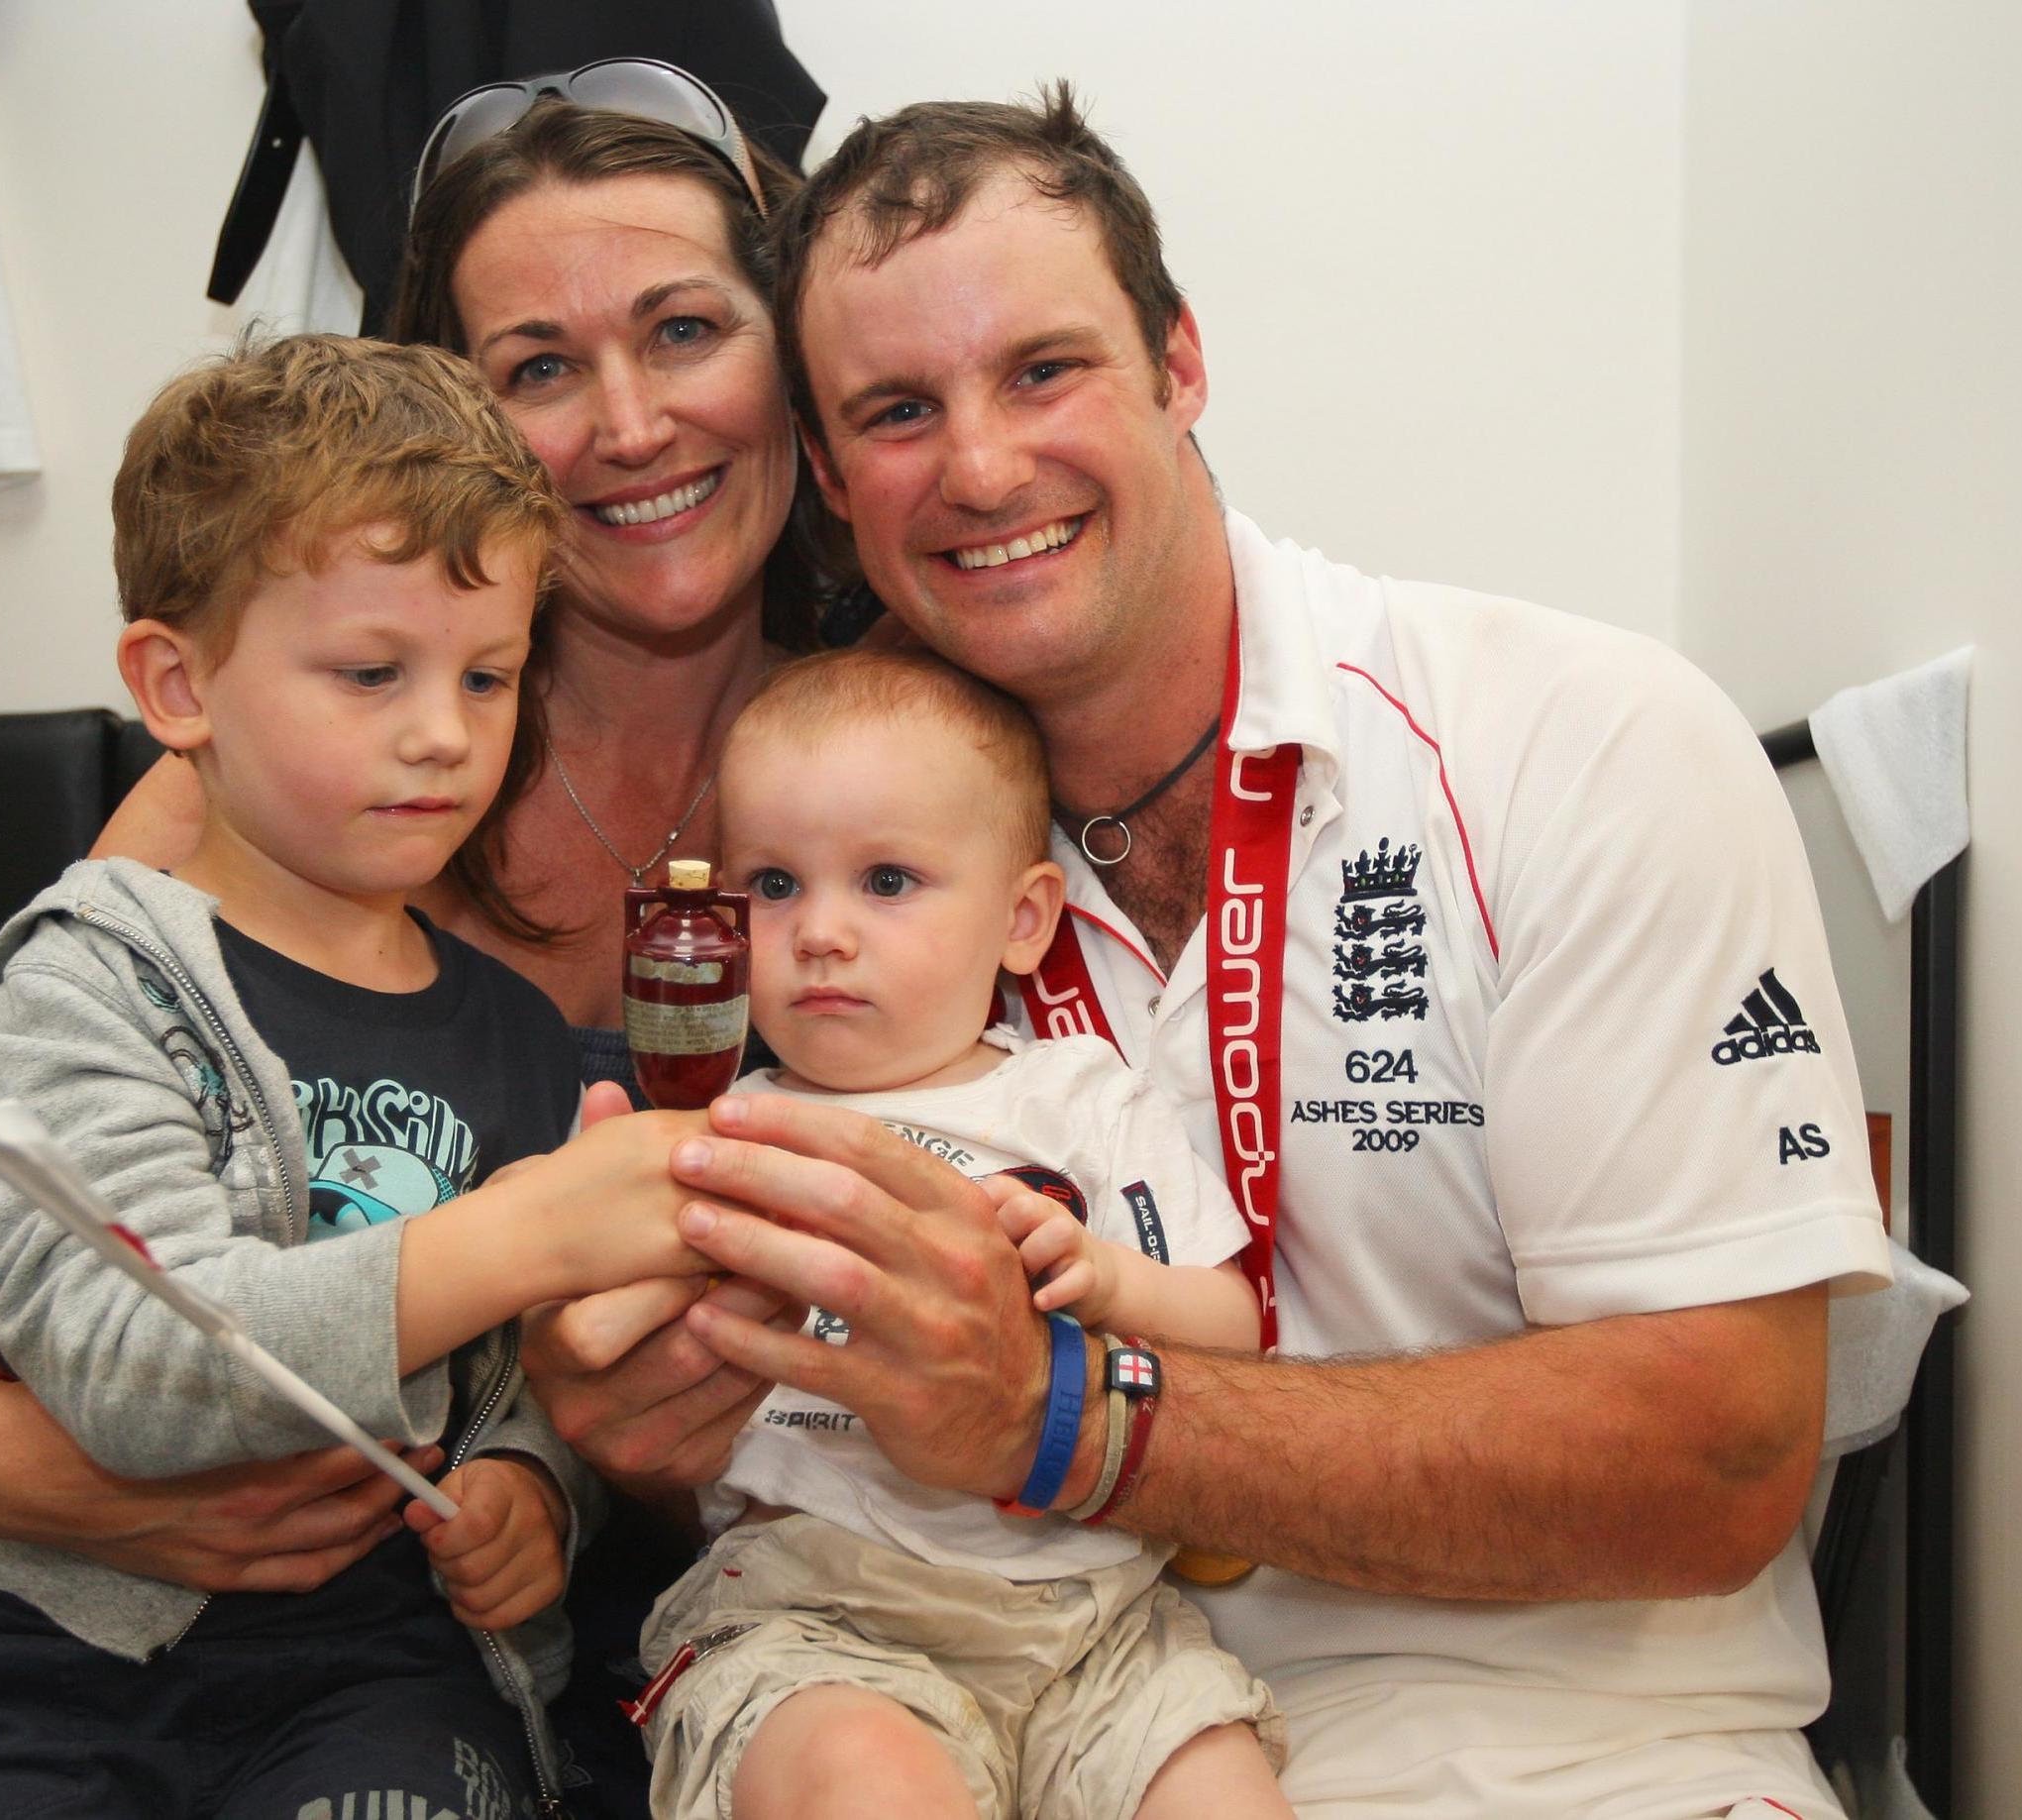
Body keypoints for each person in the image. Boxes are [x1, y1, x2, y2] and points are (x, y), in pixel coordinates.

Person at [522, 87, 1897, 1820]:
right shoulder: (834, 864)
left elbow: (1719, 1457)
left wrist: (1068, 1414)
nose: (978, 465)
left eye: (1042, 368)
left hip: (1579, 1756)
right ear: (825, 472)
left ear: (1177, 361)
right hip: (995, 1724)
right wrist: (644, 1437)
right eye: (893, 409)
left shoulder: (1575, 741)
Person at [0, 65, 811, 1636]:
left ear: (789, 346)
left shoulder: (906, 766)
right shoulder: (259, 797)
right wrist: (30, 1471)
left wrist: (561, 1479)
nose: (628, 424)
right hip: (109, 1590)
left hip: (556, 1613)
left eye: (684, 329)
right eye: (539, 366)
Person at [0, 333, 712, 1819]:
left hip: (384, 1673)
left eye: (489, 674)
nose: (445, 733)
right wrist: (513, 1232)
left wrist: (532, 1499)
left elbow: (524, 1387)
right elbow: (134, 1359)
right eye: (370, 671)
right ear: (177, 686)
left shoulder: (508, 1028)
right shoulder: (84, 981)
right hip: (50, 1660)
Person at [627, 647, 1288, 1820]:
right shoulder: (722, 1127)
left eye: (886, 881)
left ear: (1023, 916)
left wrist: (1113, 1283)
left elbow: (1236, 1330)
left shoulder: (1085, 1101)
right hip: (816, 1613)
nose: (821, 932)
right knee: (862, 1786)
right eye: (774, 885)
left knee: (1220, 1793)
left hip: (1099, 1625)